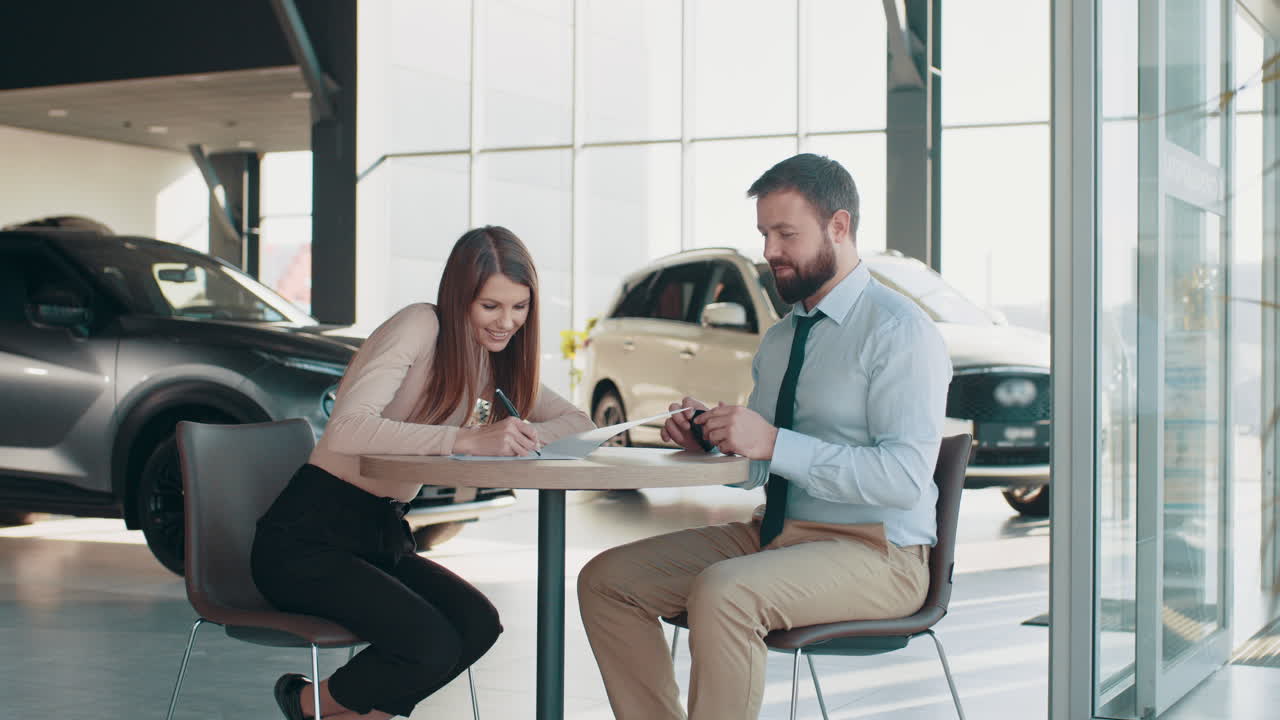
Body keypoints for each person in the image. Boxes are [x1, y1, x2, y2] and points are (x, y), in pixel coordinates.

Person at [577, 154, 953, 720]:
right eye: (763, 234)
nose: (770, 251)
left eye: (786, 233)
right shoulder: (781, 339)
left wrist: (774, 442)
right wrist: (714, 440)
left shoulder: (900, 332)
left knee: (726, 592)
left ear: (839, 227)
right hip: (778, 536)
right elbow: (760, 469)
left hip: (880, 553)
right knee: (606, 581)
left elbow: (902, 479)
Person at [252, 226, 594, 720]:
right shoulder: (419, 325)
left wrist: (517, 434)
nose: (507, 323)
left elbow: (578, 423)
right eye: (490, 307)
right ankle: (303, 701)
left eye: (519, 307)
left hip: (383, 535)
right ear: (460, 299)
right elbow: (347, 428)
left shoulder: (493, 363)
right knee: (429, 645)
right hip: (307, 539)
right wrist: (466, 439)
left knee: (477, 625)